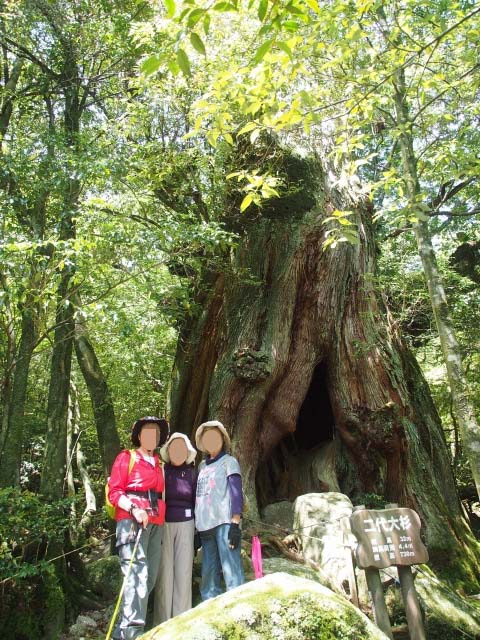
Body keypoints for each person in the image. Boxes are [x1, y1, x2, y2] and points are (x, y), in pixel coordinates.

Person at [108, 416, 169, 640]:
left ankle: (121, 632)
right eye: (148, 432)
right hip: (132, 522)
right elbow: (115, 492)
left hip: (155, 522)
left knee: (150, 576)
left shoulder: (159, 463)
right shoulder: (127, 457)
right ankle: (132, 633)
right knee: (137, 576)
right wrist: (134, 509)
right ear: (139, 436)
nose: (152, 436)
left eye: (156, 433)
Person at [194, 420, 244, 601]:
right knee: (208, 570)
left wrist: (235, 522)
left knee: (231, 566)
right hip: (205, 526)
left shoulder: (229, 462)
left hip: (224, 523)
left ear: (222, 439)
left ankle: (237, 603)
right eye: (207, 438)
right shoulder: (201, 466)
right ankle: (210, 605)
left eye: (215, 437)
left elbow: (236, 492)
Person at [154, 432, 198, 624]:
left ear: (187, 451)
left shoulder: (193, 473)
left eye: (181, 448)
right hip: (164, 524)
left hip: (187, 525)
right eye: (173, 448)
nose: (177, 451)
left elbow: (199, 500)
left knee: (183, 572)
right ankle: (162, 622)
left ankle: (182, 621)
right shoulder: (161, 471)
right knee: (164, 573)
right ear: (168, 451)